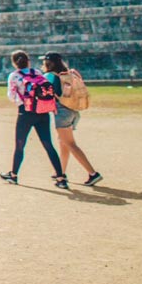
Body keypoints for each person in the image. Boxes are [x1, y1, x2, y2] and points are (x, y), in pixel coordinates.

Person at [0, 50, 67, 189]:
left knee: (20, 145)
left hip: (26, 112)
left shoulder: (14, 76)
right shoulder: (37, 72)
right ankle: (61, 178)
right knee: (48, 144)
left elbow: (12, 96)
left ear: (14, 62)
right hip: (42, 111)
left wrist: (23, 102)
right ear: (28, 60)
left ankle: (14, 175)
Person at [41, 53, 102, 186]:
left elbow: (45, 95)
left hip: (62, 112)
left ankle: (93, 173)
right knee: (63, 142)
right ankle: (60, 172)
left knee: (70, 144)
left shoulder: (49, 76)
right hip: (73, 111)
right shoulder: (68, 74)